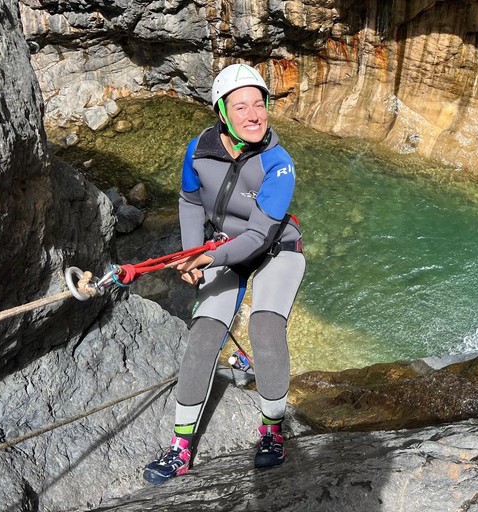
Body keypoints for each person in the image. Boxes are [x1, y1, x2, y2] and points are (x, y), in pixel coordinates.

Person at [143, 63, 305, 484]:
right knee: (203, 336)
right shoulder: (199, 149)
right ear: (221, 113)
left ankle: (272, 430)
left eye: (259, 104)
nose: (254, 115)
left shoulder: (279, 163)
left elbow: (256, 236)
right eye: (240, 107)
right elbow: (190, 201)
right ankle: (181, 447)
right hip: (219, 249)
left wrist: (206, 260)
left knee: (265, 327)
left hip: (276, 248)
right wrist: (190, 253)